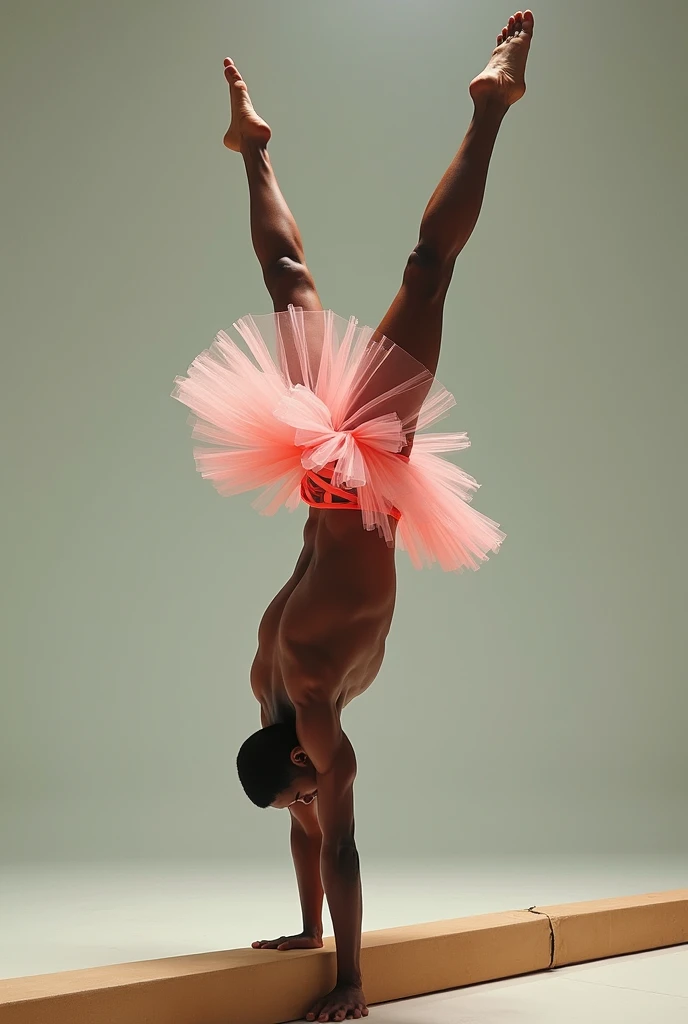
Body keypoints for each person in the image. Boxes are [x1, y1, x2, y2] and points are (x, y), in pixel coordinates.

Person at [173, 11, 533, 1022]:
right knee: (290, 285)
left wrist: (349, 983)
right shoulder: (268, 693)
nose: (311, 799)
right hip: (316, 474)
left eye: (301, 787)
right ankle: (253, 148)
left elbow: (341, 840)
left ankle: (492, 101)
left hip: (351, 475)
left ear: (298, 755)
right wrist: (307, 930)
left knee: (429, 268)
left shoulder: (315, 700)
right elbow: (304, 828)